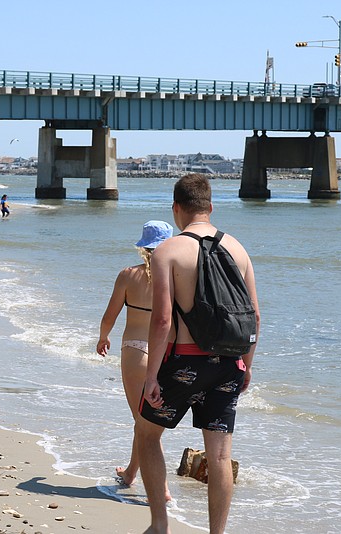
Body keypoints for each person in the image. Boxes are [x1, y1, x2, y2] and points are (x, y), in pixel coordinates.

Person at [138, 174, 260, 534]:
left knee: (147, 435)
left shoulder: (168, 251)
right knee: (220, 455)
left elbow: (161, 320)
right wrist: (247, 366)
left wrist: (150, 375)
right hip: (229, 365)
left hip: (182, 363)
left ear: (176, 209)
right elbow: (254, 314)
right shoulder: (238, 249)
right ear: (211, 207)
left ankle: (160, 525)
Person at [96, 221, 173, 501]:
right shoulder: (177, 278)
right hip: (166, 353)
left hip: (135, 351)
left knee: (143, 423)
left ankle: (161, 489)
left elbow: (110, 315)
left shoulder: (128, 275)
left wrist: (103, 337)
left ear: (143, 247)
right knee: (148, 423)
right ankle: (130, 473)